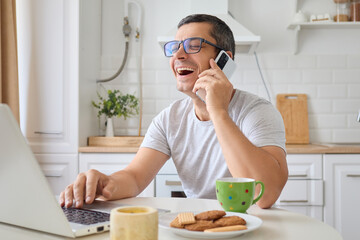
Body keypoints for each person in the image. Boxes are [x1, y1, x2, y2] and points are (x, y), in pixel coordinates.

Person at [60, 14, 288, 209]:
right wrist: (106, 184)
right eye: (175, 47)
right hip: (200, 228)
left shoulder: (257, 112)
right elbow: (135, 177)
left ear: (224, 60)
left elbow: (265, 196)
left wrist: (217, 111)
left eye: (193, 45)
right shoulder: (169, 119)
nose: (178, 55)